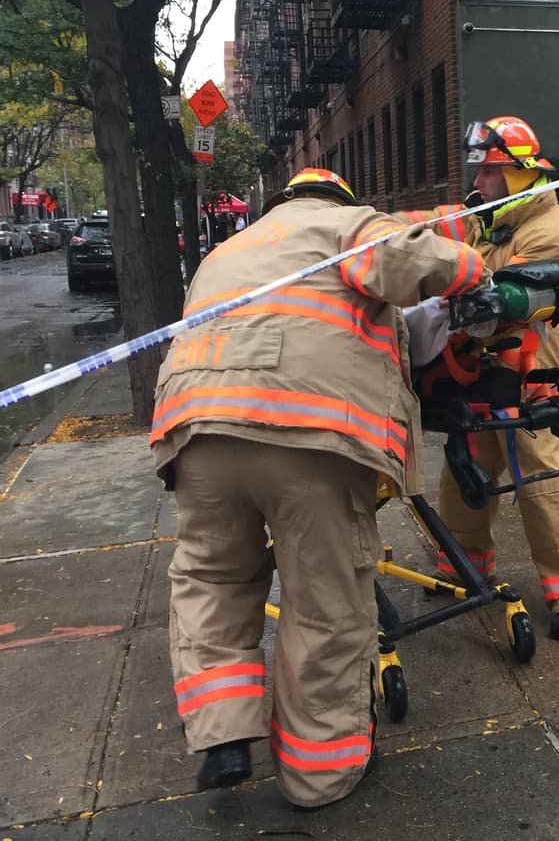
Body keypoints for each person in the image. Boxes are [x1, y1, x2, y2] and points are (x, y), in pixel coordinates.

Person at [149, 168, 487, 806]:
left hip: (194, 429)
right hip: (305, 434)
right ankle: (320, 773)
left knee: (212, 580)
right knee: (323, 602)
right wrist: (478, 271)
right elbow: (416, 259)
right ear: (338, 199)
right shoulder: (345, 225)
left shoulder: (230, 248)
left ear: (280, 202)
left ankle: (223, 734)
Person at [399, 116, 559, 641]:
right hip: (484, 371)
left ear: (518, 173)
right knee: (464, 468)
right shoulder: (487, 214)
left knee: (545, 475)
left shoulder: (545, 230)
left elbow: (497, 297)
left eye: (491, 171)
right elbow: (443, 237)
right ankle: (462, 567)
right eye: (481, 170)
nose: (480, 180)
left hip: (530, 370)